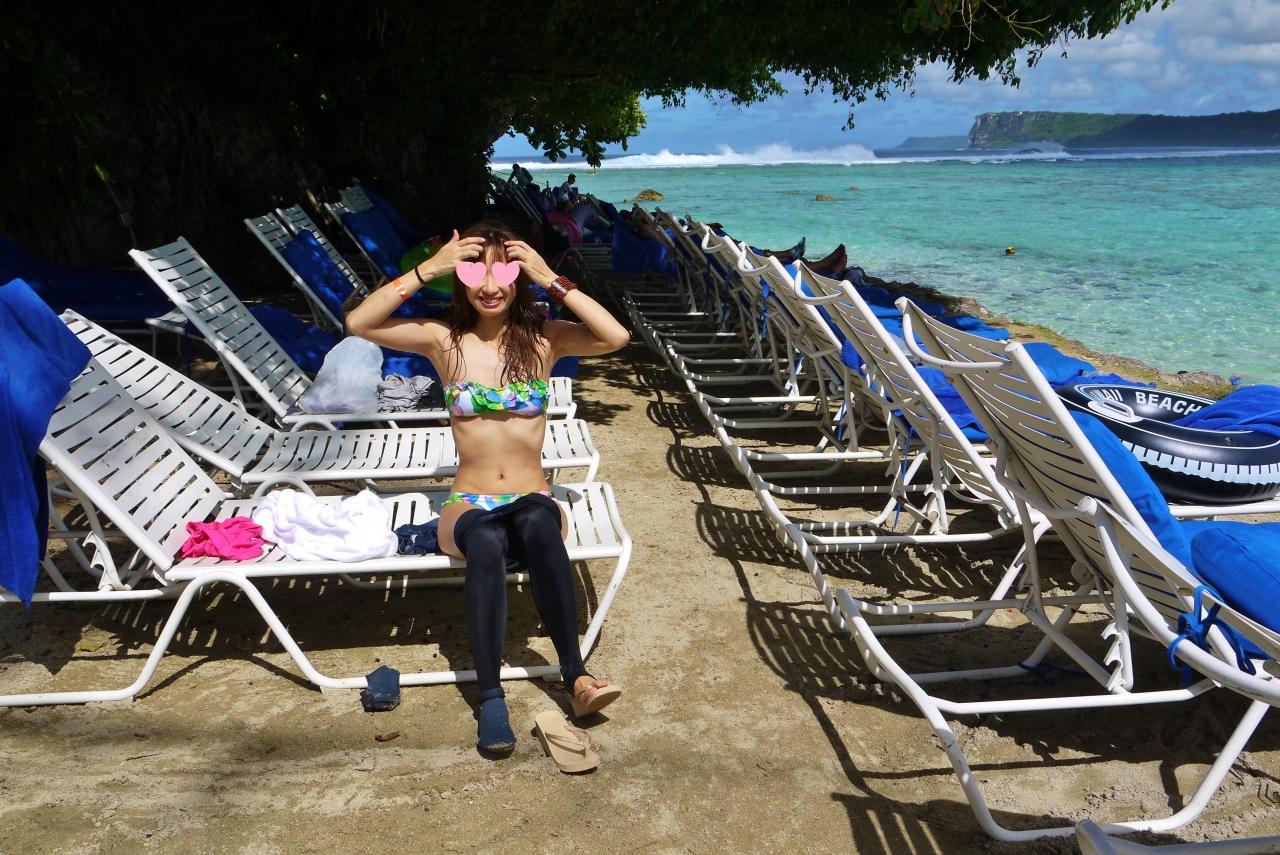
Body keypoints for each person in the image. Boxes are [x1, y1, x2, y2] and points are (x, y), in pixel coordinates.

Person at [347, 221, 630, 754]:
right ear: (461, 278)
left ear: (519, 277)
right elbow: (359, 322)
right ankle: (491, 695)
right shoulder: (443, 341)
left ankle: (575, 675)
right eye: (477, 272)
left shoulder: (545, 340)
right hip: (470, 502)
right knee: (485, 539)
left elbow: (615, 337)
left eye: (505, 271)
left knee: (537, 523)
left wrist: (550, 278)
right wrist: (429, 268)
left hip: (532, 496)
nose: (491, 285)